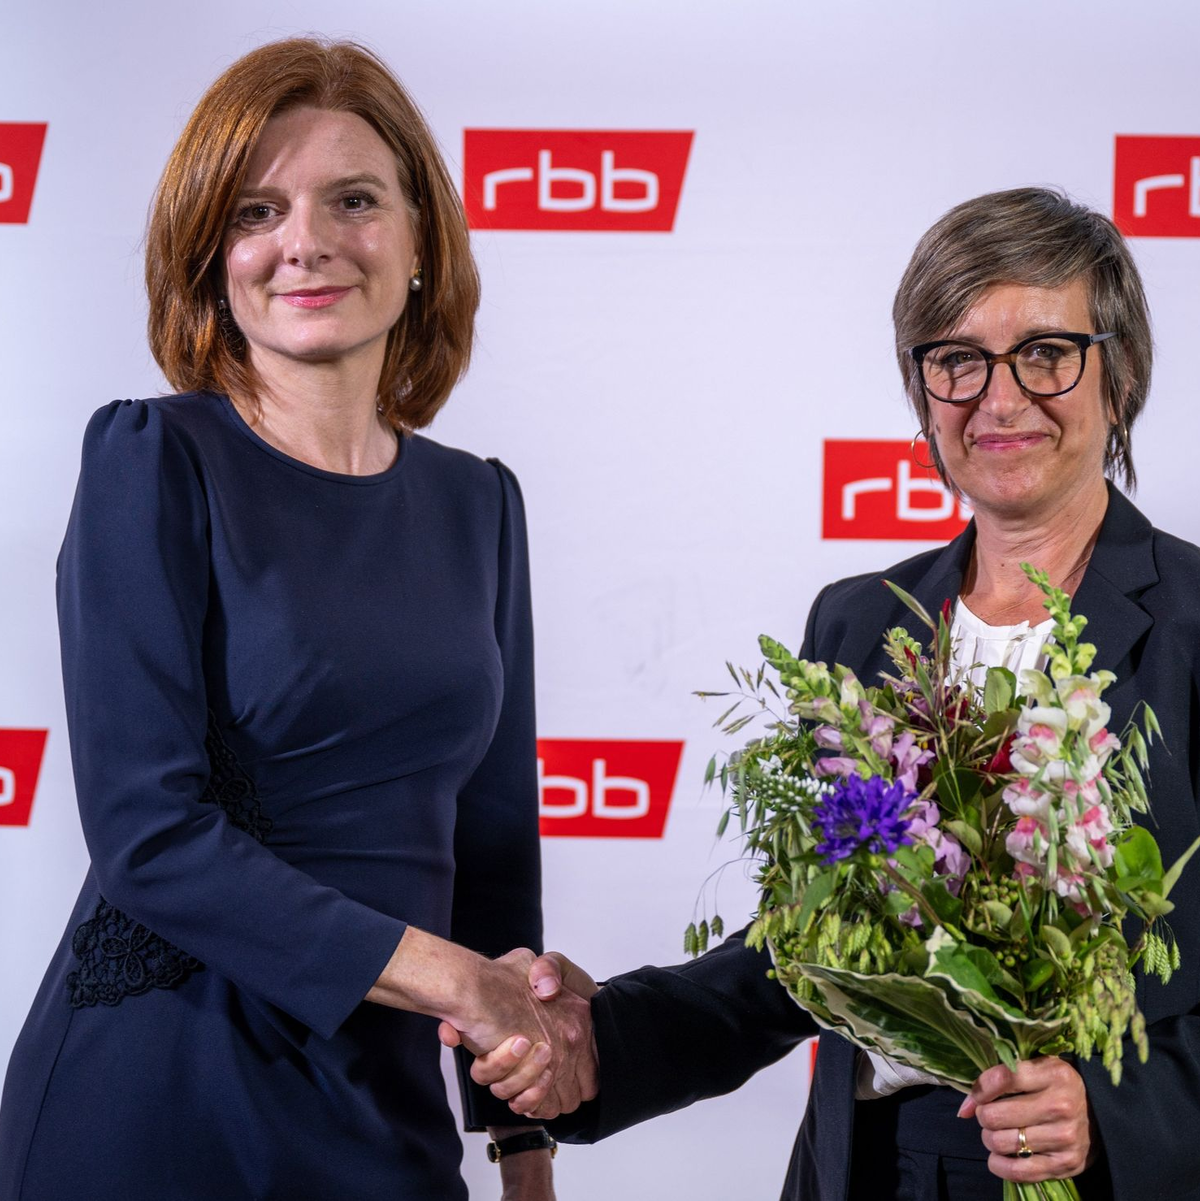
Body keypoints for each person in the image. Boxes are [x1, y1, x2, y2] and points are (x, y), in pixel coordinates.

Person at [462, 187, 1200, 1200]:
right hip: (871, 1171)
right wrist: (601, 1042)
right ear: (922, 392)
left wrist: (1113, 1110)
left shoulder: (1196, 630)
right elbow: (803, 958)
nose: (1000, 396)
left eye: (1045, 351)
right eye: (957, 360)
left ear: (1117, 375)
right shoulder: (862, 625)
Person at [0, 38, 595, 1201]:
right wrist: (452, 981)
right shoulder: (151, 461)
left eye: (354, 200)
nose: (306, 242)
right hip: (164, 1095)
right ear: (211, 257)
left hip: (381, 1109)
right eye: (258, 210)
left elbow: (492, 858)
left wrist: (521, 1141)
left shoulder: (482, 502)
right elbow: (147, 835)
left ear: (422, 240)